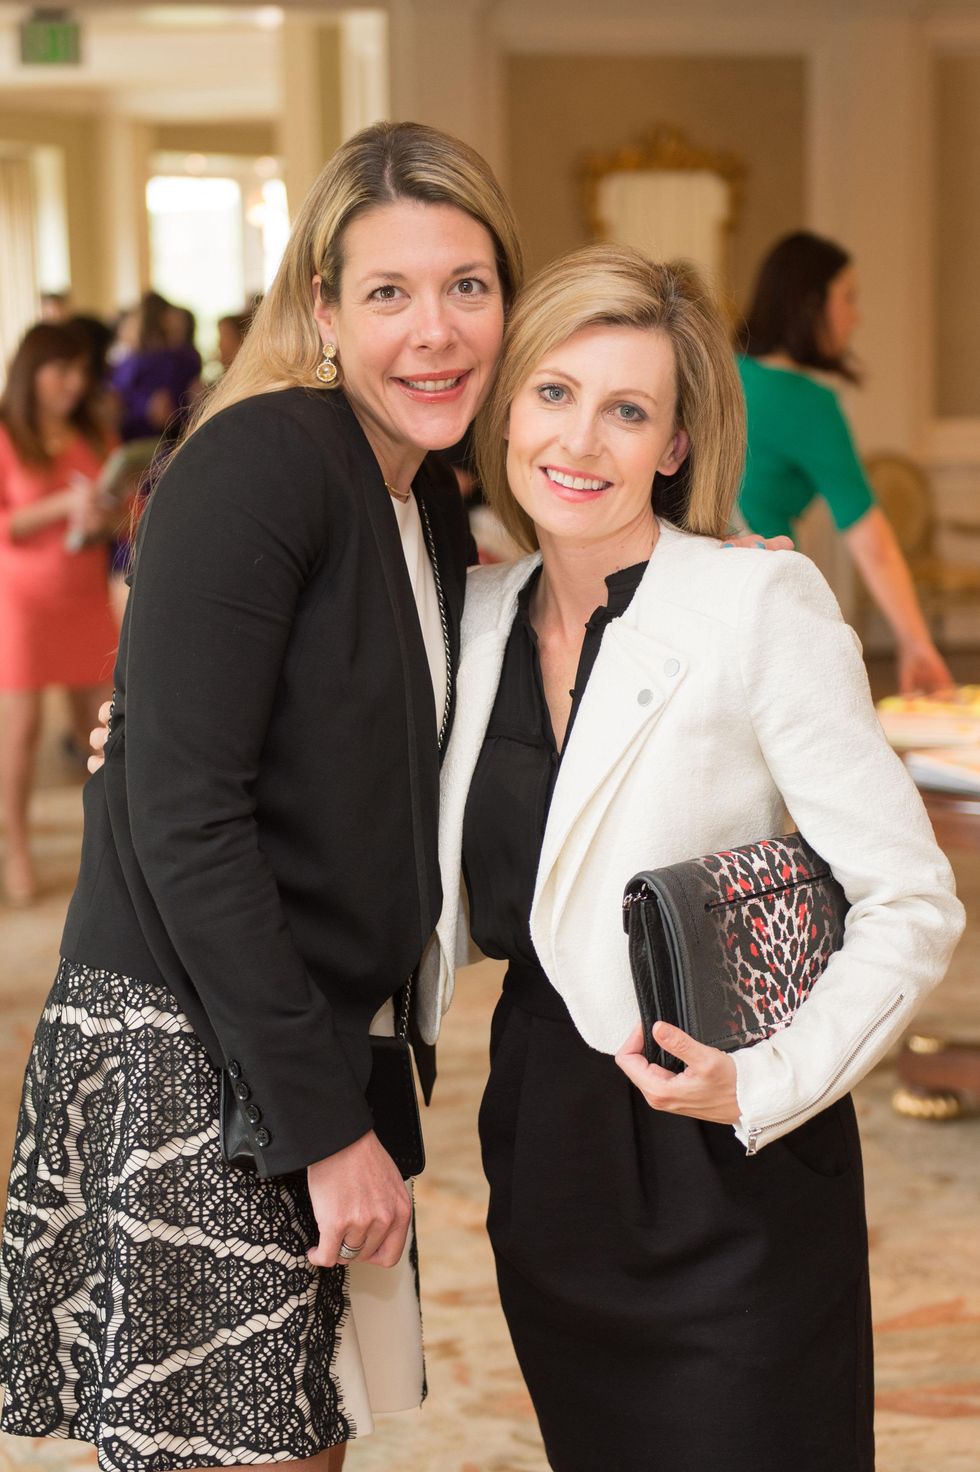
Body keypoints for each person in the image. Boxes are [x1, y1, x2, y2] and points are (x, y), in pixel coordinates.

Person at [0, 120, 523, 1472]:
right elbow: (185, 816)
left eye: (467, 285)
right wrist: (326, 1123)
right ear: (324, 312)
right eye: (390, 292)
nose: (435, 330)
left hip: (306, 1032)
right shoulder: (265, 463)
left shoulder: (425, 495)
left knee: (313, 1439)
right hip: (196, 1046)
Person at [418, 244, 964, 1472]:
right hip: (547, 1151)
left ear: (674, 443)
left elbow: (908, 896)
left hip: (730, 1165)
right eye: (553, 393)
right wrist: (143, 731)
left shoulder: (751, 603)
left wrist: (766, 1079)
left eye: (627, 410)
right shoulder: (469, 619)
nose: (580, 439)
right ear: (506, 407)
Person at [736, 230, 952, 695]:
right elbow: (871, 541)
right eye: (848, 298)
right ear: (812, 304)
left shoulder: (721, 374)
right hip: (760, 604)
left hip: (690, 587)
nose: (856, 318)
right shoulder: (809, 404)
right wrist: (917, 645)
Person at [0, 322, 119, 905]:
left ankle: (112, 846)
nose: (73, 384)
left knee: (102, 725)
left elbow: (125, 512)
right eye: (61, 370)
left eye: (81, 372)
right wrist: (57, 506)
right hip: (20, 603)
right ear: (32, 371)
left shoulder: (91, 433)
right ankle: (15, 843)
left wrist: (105, 518)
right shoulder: (5, 434)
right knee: (19, 732)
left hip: (84, 597)